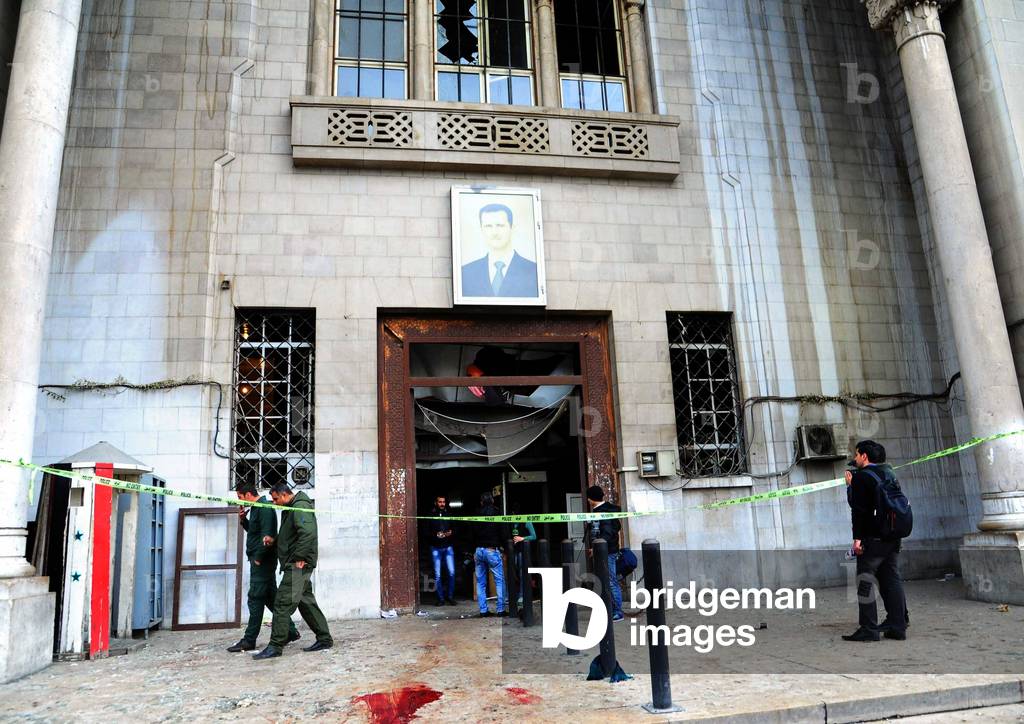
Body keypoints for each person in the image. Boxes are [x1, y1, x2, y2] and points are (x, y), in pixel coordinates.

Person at [253, 483, 334, 659]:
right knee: (306, 602)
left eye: (275, 499)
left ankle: (275, 646)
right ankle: (324, 638)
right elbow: (292, 535)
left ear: (284, 495)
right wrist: (274, 541)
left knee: (282, 603)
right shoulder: (291, 508)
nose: (275, 503)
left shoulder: (300, 506)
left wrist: (299, 558)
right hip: (297, 563)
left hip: (298, 565)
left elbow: (308, 533)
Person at [842, 439, 908, 642]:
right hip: (893, 535)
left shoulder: (862, 478)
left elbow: (859, 511)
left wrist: (857, 539)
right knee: (891, 579)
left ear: (864, 456)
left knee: (864, 580)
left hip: (873, 538)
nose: (854, 458)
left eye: (856, 454)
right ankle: (898, 625)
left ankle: (868, 628)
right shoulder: (889, 473)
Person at [227, 483, 299, 652]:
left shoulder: (264, 508)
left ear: (247, 495)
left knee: (255, 599)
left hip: (262, 562)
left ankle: (249, 639)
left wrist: (258, 558)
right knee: (270, 598)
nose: (240, 501)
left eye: (240, 497)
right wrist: (244, 520)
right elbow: (255, 531)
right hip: (260, 560)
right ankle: (290, 631)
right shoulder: (257, 508)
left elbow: (268, 537)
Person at [461, 203, 539, 298]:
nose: (494, 233)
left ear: (512, 228)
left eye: (500, 225)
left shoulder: (533, 271)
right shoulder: (466, 272)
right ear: (481, 229)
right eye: (488, 226)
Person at [586, 485, 624, 622]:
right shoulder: (603, 510)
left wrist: (597, 548)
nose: (588, 500)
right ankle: (610, 609)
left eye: (589, 497)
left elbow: (607, 533)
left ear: (591, 498)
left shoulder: (604, 512)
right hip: (604, 551)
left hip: (607, 552)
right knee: (605, 580)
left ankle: (617, 612)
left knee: (610, 581)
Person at [473, 492, 508, 617]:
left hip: (478, 550)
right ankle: (500, 610)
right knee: (499, 581)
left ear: (481, 502)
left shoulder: (477, 513)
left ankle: (483, 611)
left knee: (480, 582)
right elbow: (503, 533)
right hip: (492, 550)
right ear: (492, 501)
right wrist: (506, 549)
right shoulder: (497, 513)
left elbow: (472, 532)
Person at [429, 495, 457, 606]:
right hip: (435, 547)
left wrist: (451, 532)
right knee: (437, 575)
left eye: (443, 502)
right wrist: (435, 535)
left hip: (448, 547)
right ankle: (440, 599)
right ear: (436, 502)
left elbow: (456, 528)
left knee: (451, 572)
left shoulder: (449, 515)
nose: (442, 504)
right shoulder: (430, 515)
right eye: (440, 502)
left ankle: (450, 597)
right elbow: (425, 531)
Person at [510, 509, 536, 606]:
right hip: (513, 551)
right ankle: (513, 596)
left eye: (514, 513)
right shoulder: (510, 521)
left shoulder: (526, 520)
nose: (512, 515)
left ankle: (521, 595)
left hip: (522, 551)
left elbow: (534, 536)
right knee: (513, 574)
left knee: (522, 574)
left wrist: (523, 538)